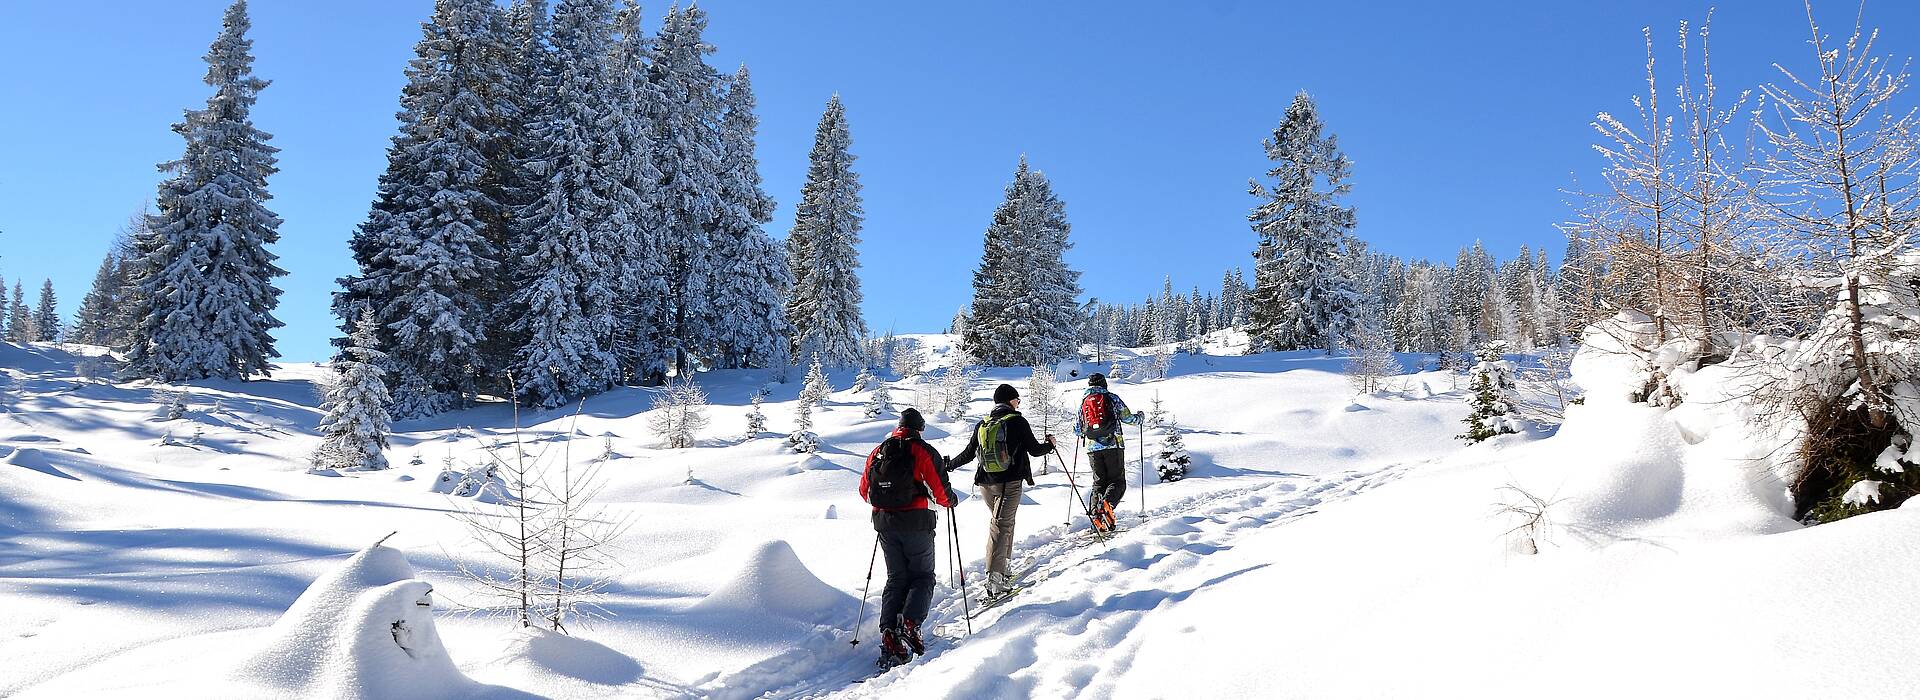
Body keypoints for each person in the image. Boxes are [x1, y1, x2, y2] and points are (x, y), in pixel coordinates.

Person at [858, 408, 957, 669]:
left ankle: (889, 633)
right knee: (923, 576)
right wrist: (950, 500)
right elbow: (940, 491)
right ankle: (911, 624)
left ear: (899, 427)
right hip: (917, 522)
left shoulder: (879, 451)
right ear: (920, 428)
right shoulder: (922, 451)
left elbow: (864, 491)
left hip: (885, 524)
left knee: (896, 578)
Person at [949, 383, 1055, 597]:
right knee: (1001, 525)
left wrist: (949, 465)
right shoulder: (1017, 421)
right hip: (1010, 482)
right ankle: (995, 577)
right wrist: (1050, 445)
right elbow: (1035, 450)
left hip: (986, 484)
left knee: (1004, 523)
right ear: (1010, 400)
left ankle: (1003, 567)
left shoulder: (983, 424)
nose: (1018, 403)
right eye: (1017, 400)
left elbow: (969, 453)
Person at [1074, 373, 1141, 533]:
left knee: (1098, 483)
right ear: (1104, 384)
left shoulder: (1084, 402)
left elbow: (1077, 429)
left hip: (1092, 449)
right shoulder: (1111, 398)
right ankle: (1106, 507)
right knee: (1117, 482)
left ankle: (1096, 518)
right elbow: (1128, 418)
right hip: (1113, 445)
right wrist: (1139, 418)